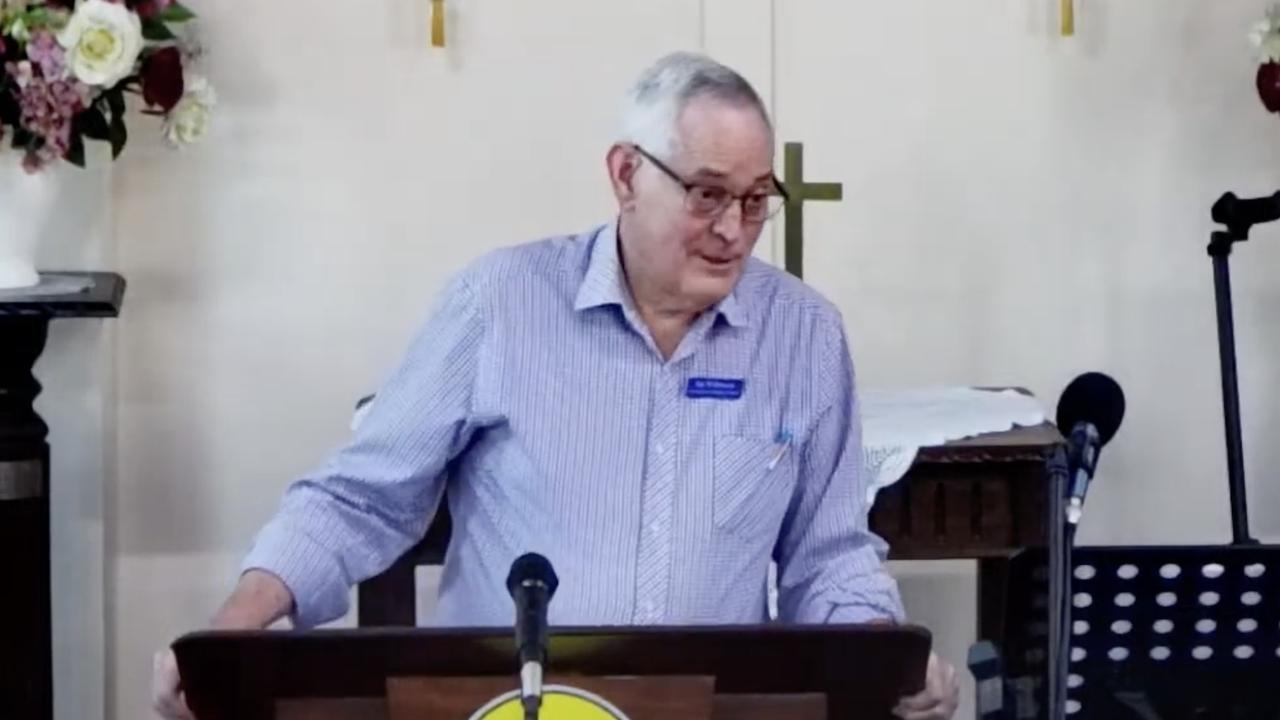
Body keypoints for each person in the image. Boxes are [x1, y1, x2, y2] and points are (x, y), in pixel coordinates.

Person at [153, 51, 959, 720]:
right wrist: (234, 632)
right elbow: (360, 500)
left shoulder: (804, 335)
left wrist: (886, 655)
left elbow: (829, 558)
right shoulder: (498, 304)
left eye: (755, 202)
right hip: (510, 708)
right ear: (625, 174)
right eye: (708, 194)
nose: (731, 231)